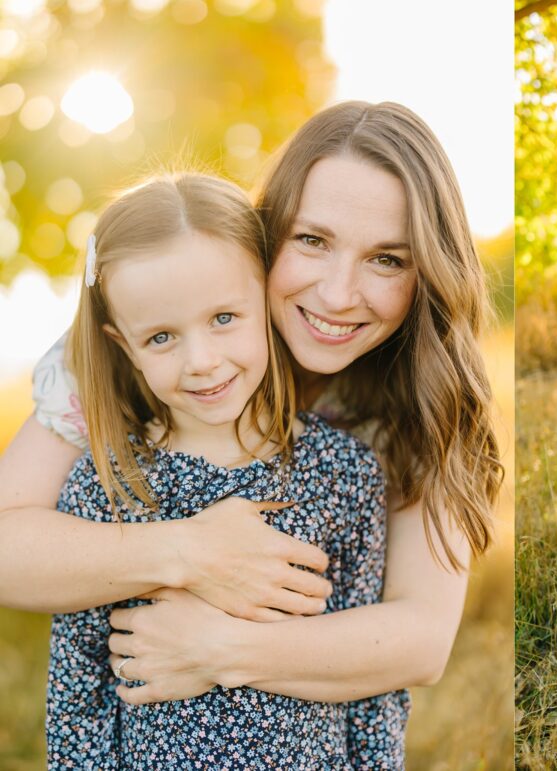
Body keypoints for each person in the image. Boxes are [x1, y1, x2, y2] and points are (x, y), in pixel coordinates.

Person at [0, 101, 502, 769]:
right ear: (263, 237)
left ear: (427, 272)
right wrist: (190, 550)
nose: (337, 293)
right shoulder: (145, 342)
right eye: (313, 240)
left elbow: (419, 639)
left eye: (387, 259)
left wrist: (214, 649)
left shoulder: (422, 396)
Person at [46, 172, 390, 768]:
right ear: (122, 346)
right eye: (160, 337)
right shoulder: (107, 485)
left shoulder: (344, 473)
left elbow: (372, 690)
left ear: (266, 298)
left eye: (224, 318)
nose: (201, 362)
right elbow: (79, 695)